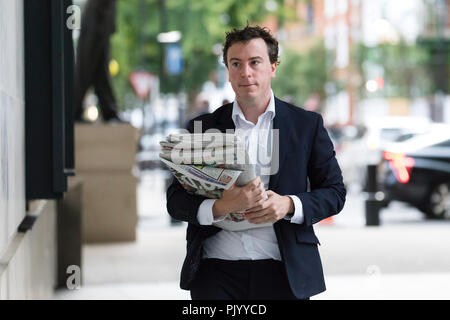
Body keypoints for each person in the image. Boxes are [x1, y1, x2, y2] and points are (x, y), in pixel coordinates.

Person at [166, 25, 346, 300]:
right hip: (215, 275)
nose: (245, 72)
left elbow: (335, 193)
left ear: (273, 67)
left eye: (255, 62)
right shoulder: (202, 127)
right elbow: (175, 200)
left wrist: (288, 205)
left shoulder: (306, 125)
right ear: (227, 70)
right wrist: (222, 206)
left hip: (284, 274)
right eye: (235, 63)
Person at [74, 0, 124, 123]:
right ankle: (75, 108)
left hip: (100, 22)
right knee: (87, 69)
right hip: (96, 23)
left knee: (99, 70)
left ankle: (108, 110)